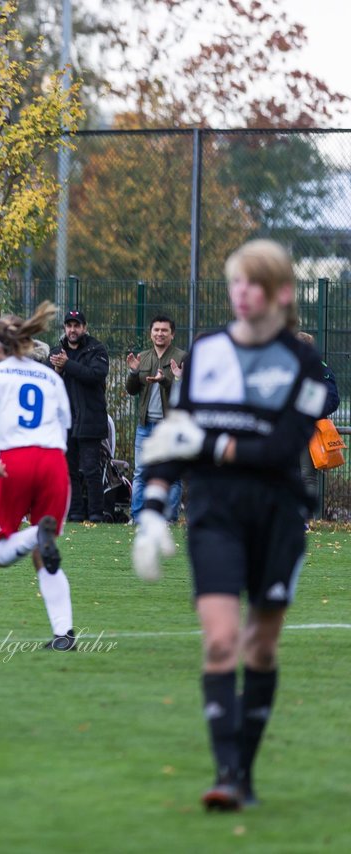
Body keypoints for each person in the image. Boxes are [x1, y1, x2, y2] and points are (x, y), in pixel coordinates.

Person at [131, 239, 329, 811]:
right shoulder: (208, 349)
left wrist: (211, 444)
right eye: (234, 282)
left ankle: (245, 768)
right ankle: (227, 776)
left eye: (253, 283)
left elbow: (282, 446)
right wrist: (151, 510)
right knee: (221, 642)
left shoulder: (302, 361)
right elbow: (178, 435)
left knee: (260, 650)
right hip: (214, 514)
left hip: (278, 516)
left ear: (282, 294)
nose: (240, 293)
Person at [0, 302, 76, 650]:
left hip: (13, 461)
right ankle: (64, 634)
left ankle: (35, 535)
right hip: (53, 461)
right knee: (44, 554)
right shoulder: (49, 375)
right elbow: (66, 423)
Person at [49, 309, 109, 522]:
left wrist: (68, 365)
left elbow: (95, 375)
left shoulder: (97, 349)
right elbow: (49, 383)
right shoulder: (57, 351)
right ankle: (74, 512)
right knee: (68, 470)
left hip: (90, 419)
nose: (72, 329)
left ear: (84, 328)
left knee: (91, 469)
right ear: (65, 328)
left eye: (77, 325)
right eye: (69, 325)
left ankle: (95, 514)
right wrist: (56, 370)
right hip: (65, 422)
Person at [126, 315, 187, 521]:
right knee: (141, 473)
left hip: (171, 426)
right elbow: (131, 390)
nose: (160, 334)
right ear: (151, 333)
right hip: (145, 426)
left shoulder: (182, 357)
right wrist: (134, 373)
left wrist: (167, 381)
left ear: (172, 334)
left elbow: (187, 393)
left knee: (173, 475)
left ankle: (168, 518)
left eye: (164, 330)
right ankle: (137, 517)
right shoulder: (143, 357)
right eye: (156, 330)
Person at [294, 331, 340, 519]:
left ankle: (306, 518)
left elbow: (332, 399)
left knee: (307, 474)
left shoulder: (321, 370)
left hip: (308, 429)